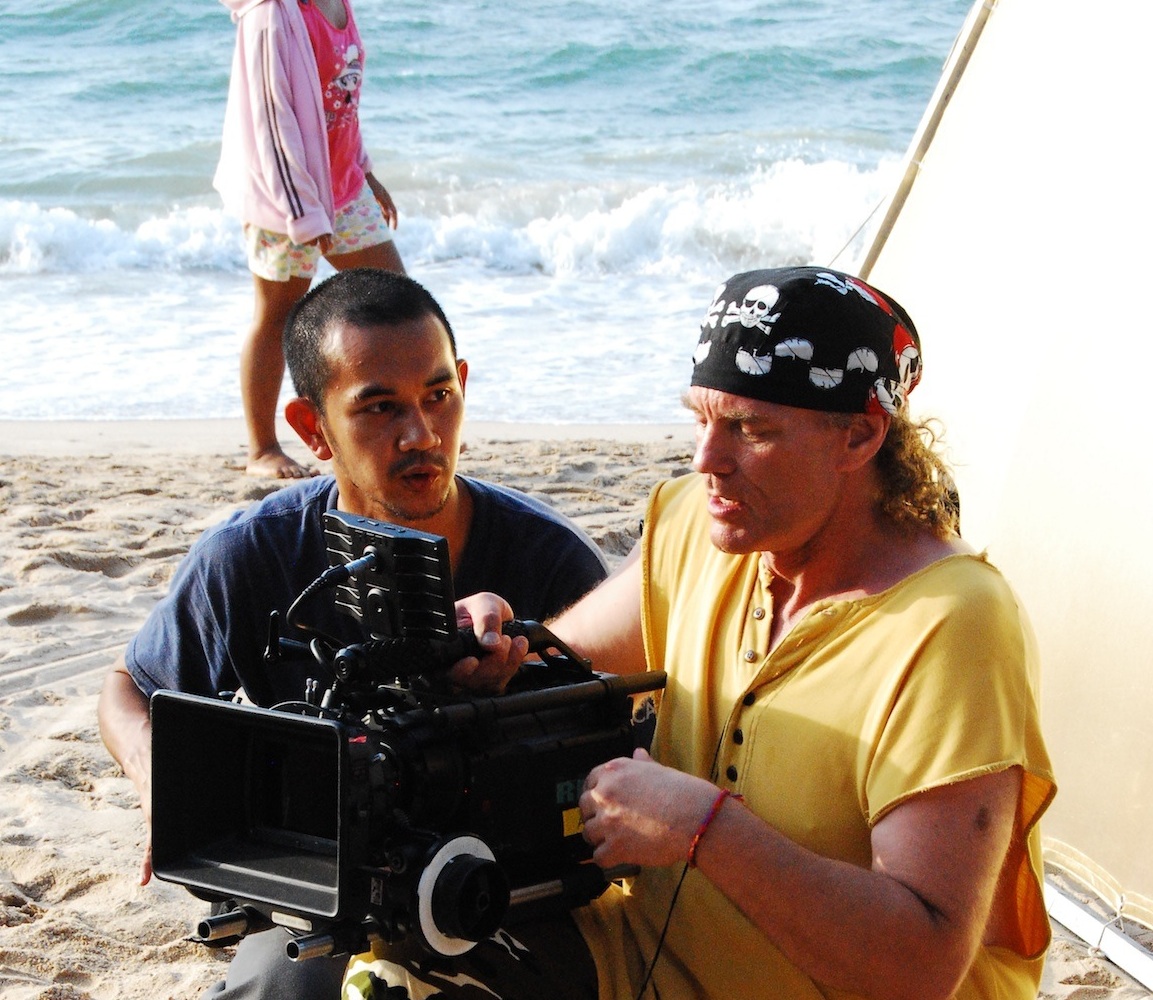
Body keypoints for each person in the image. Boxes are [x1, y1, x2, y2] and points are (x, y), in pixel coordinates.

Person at [347, 266, 1057, 1000]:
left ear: (858, 435)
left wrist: (702, 828)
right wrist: (498, 644)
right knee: (390, 978)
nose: (705, 460)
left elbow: (918, 967)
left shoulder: (953, 624)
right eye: (700, 419)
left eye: (750, 429)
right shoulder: (701, 522)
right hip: (644, 965)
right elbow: (564, 653)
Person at [97, 268, 609, 1000]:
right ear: (312, 430)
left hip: (497, 883)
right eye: (378, 408)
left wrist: (518, 677)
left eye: (439, 395)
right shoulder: (254, 554)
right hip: (319, 875)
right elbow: (128, 687)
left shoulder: (550, 562)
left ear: (462, 382)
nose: (421, 434)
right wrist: (156, 776)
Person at [215, 0, 407, 479]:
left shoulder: (338, 5)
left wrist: (366, 172)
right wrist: (302, 214)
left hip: (341, 187)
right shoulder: (271, 15)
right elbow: (272, 125)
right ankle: (262, 449)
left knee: (397, 300)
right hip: (285, 198)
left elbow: (342, 104)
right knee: (277, 313)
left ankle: (390, 427)